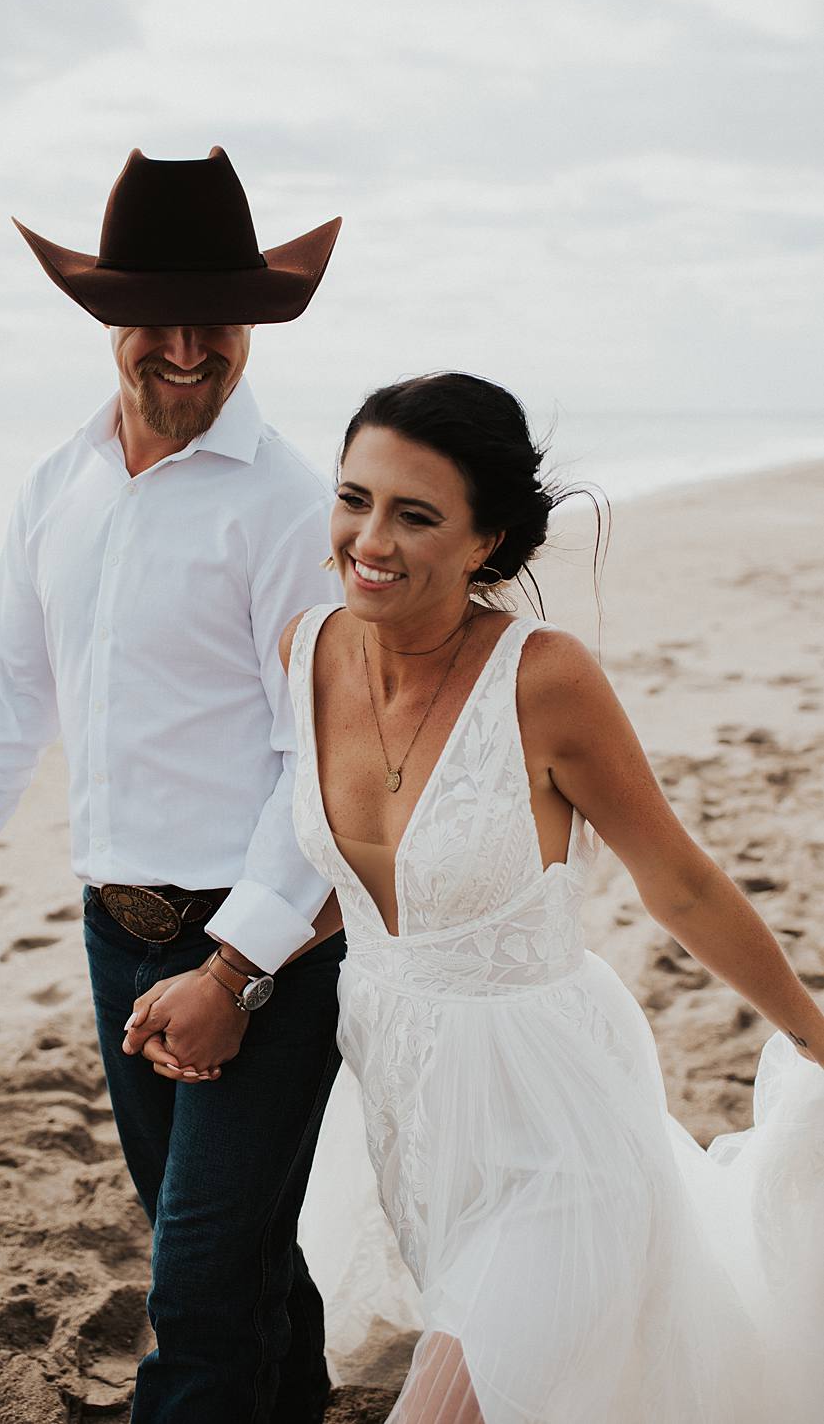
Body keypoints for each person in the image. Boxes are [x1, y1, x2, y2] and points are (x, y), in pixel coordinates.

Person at [0, 145, 348, 1424]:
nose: (188, 346)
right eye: (156, 315)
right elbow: (2, 678)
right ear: (110, 320)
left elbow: (317, 769)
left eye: (220, 317)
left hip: (263, 945)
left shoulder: (286, 509)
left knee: (195, 1284)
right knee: (227, 1241)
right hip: (115, 934)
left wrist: (233, 970)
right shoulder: (59, 485)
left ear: (254, 325)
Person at [283, 371, 824, 1423]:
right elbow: (332, 880)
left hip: (554, 1126)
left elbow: (676, 879)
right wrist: (227, 970)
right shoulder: (302, 651)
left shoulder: (543, 679)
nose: (370, 539)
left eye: (414, 515)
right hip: (400, 1111)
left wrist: (810, 1028)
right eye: (354, 499)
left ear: (484, 541)